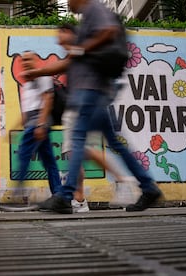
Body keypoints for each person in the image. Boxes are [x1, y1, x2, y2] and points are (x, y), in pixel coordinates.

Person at [23, 0, 162, 214]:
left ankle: (66, 195)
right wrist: (38, 72)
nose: (68, 3)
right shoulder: (86, 23)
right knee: (115, 142)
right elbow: (67, 62)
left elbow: (109, 30)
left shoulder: (94, 9)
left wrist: (80, 49)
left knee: (77, 139)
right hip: (96, 94)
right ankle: (148, 187)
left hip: (89, 92)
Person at [57, 24, 126, 213]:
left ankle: (81, 197)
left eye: (62, 32)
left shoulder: (80, 51)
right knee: (78, 152)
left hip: (80, 109)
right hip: (78, 108)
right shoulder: (77, 53)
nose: (59, 37)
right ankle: (79, 198)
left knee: (78, 151)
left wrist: (41, 73)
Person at [15, 50, 62, 203]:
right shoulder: (27, 81)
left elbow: (48, 98)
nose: (26, 62)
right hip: (32, 122)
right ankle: (59, 195)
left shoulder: (42, 75)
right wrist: (18, 124)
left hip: (38, 122)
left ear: (36, 60)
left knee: (23, 154)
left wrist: (41, 124)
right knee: (49, 161)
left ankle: (17, 191)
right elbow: (28, 106)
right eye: (23, 60)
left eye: (29, 59)